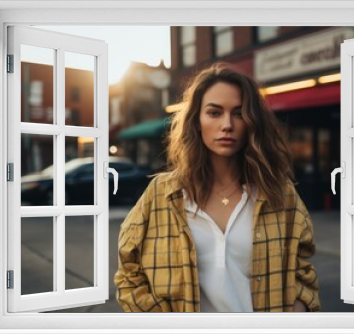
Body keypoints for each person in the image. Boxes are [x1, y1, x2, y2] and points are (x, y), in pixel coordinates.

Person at [114, 63, 320, 312]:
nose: (227, 125)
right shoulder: (161, 194)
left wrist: (295, 314)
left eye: (239, 113)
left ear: (252, 121)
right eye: (214, 112)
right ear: (197, 120)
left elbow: (302, 271)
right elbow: (128, 273)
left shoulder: (279, 192)